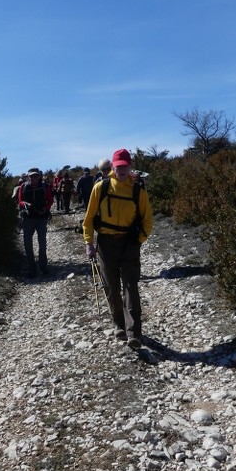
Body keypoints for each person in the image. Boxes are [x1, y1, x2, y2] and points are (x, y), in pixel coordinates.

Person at [82, 148, 153, 350]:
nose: (121, 169)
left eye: (125, 166)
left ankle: (134, 333)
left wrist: (138, 241)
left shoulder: (138, 189)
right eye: (118, 166)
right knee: (111, 288)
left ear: (130, 167)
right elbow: (88, 220)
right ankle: (118, 324)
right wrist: (89, 244)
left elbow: (148, 220)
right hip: (105, 244)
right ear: (113, 167)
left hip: (130, 243)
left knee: (131, 286)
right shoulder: (101, 187)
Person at [18, 168, 53, 276]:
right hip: (28, 219)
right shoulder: (23, 187)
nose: (33, 178)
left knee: (42, 243)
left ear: (39, 176)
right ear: (28, 177)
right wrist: (25, 205)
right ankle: (32, 268)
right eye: (31, 176)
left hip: (41, 218)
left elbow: (50, 200)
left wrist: (46, 208)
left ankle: (43, 266)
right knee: (27, 244)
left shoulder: (45, 187)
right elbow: (19, 201)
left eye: (35, 176)